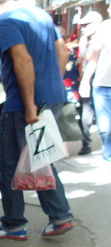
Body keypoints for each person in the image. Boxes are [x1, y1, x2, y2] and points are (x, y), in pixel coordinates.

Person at [0, 0, 74, 240]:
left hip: (23, 101)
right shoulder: (40, 15)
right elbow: (62, 52)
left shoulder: (5, 21)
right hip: (52, 95)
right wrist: (50, 85)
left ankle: (14, 224)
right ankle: (59, 216)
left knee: (10, 163)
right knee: (39, 156)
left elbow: (23, 60)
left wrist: (30, 104)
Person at [77, 12, 102, 155]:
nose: (83, 28)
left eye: (86, 25)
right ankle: (86, 143)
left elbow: (92, 60)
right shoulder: (83, 41)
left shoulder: (102, 39)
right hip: (87, 79)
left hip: (100, 80)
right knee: (85, 115)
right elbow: (83, 61)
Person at [90, 16, 111, 162]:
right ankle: (108, 153)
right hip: (102, 85)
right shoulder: (104, 27)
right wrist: (85, 81)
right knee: (105, 128)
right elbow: (94, 57)